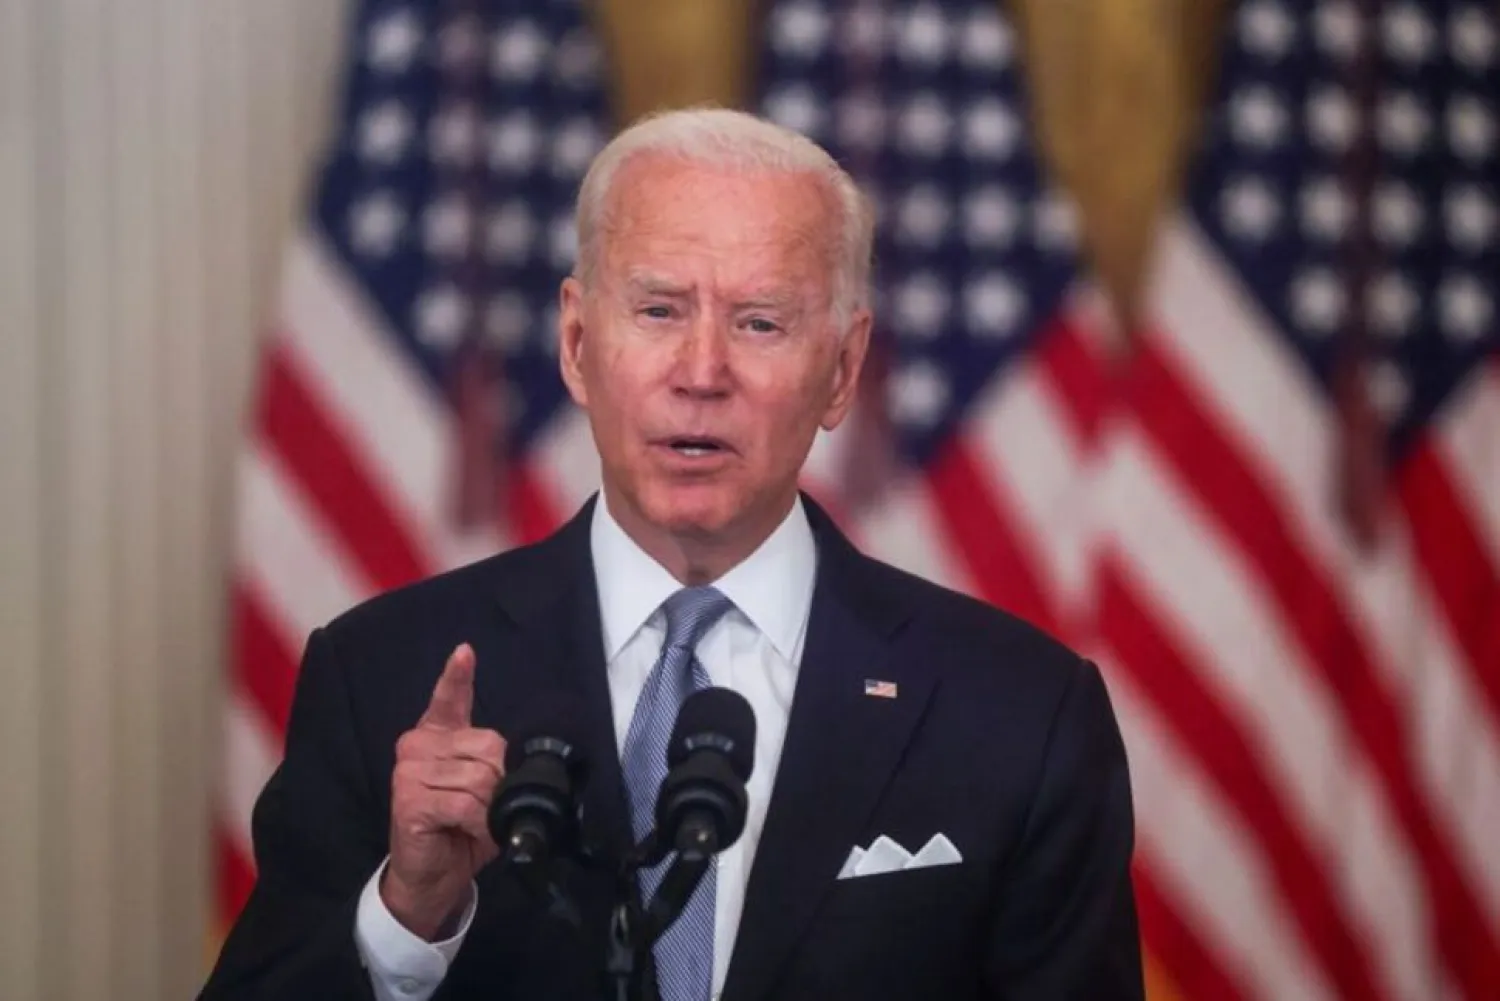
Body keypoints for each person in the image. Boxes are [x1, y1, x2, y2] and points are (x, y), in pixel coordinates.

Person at [198, 107, 1144, 1001]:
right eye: (657, 310)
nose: (701, 373)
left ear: (844, 370)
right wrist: (407, 914)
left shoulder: (1021, 712)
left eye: (760, 321)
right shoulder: (380, 677)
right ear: (576, 344)